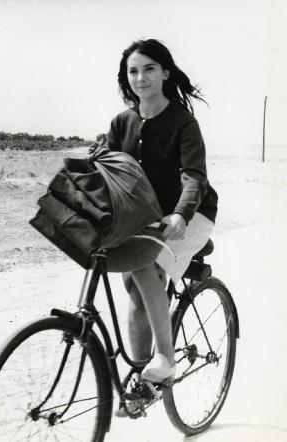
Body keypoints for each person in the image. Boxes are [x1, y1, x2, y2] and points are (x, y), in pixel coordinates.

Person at [104, 39, 218, 386]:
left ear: (166, 73)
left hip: (192, 214)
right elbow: (107, 167)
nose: (141, 78)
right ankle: (143, 381)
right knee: (137, 291)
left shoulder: (183, 123)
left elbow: (194, 176)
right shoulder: (121, 122)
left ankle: (165, 361)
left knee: (147, 266)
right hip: (144, 216)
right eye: (133, 71)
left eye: (149, 69)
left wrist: (182, 214)